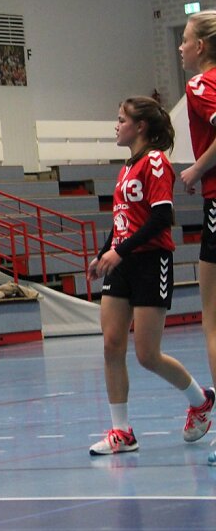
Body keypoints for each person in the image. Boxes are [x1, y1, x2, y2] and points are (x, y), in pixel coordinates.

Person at [87, 97, 214, 456]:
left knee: (147, 354)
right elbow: (122, 220)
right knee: (112, 344)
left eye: (121, 119)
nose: (116, 125)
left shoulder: (156, 163)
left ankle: (200, 399)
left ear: (140, 126)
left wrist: (120, 251)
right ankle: (122, 432)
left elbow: (160, 219)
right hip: (122, 262)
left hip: (151, 261)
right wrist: (103, 255)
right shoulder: (126, 167)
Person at [177, 10, 216, 465]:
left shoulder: (201, 85)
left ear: (201, 46)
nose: (182, 47)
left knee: (212, 319)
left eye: (185, 40)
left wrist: (196, 168)